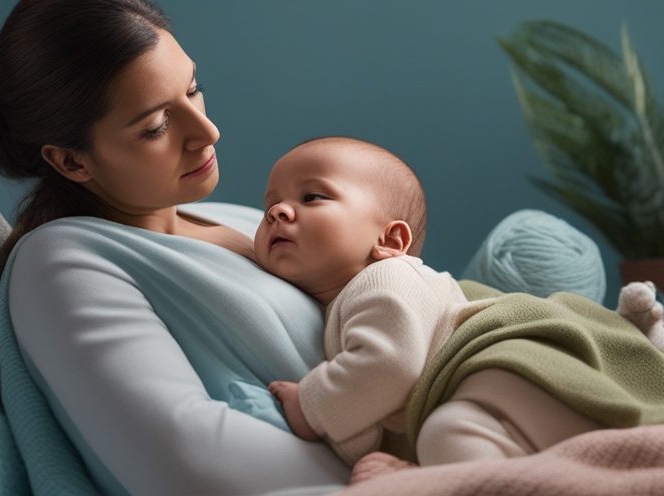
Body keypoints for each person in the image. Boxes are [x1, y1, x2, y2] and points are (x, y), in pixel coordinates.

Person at [0, 0, 350, 494]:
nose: (206, 131)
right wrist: (417, 470)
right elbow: (186, 458)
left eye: (192, 89)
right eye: (157, 126)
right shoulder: (62, 262)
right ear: (72, 160)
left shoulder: (243, 219)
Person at [257, 136, 613, 471]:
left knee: (447, 435)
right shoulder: (347, 299)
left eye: (312, 197)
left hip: (512, 376)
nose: (279, 213)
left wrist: (312, 406)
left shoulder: (385, 277)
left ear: (390, 240)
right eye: (270, 206)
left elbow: (389, 365)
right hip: (503, 399)